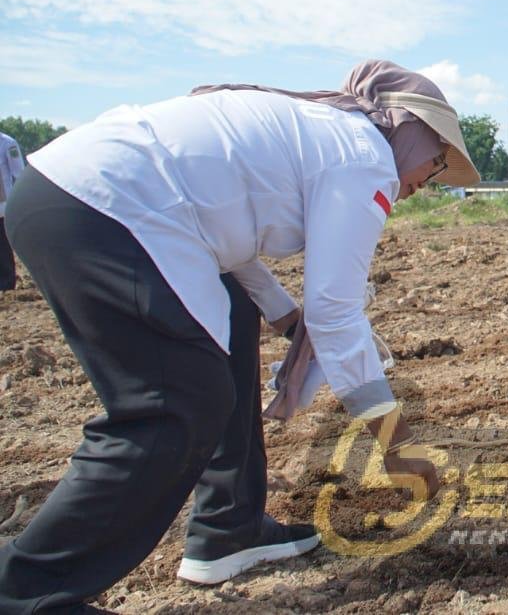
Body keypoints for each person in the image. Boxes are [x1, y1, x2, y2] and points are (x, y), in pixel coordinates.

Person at [0, 61, 479, 609]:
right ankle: (23, 591)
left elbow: (230, 241)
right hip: (104, 208)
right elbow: (336, 312)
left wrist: (284, 317)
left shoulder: (322, 133)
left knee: (229, 317)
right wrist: (396, 445)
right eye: (438, 159)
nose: (430, 180)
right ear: (411, 130)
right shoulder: (365, 158)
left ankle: (229, 527)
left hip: (70, 195)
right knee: (171, 405)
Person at [0, 132, 24, 292]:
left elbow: (19, 173)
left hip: (1, 205)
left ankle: (6, 284)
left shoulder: (7, 143)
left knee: (2, 246)